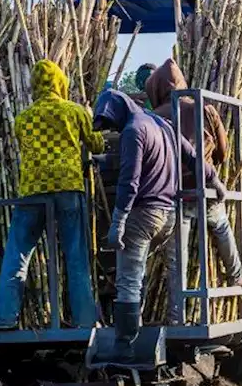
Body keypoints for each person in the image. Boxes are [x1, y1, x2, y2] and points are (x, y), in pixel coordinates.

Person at [0, 60, 102, 329]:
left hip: (33, 191)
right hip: (68, 187)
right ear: (60, 83)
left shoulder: (23, 118)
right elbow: (97, 143)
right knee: (75, 257)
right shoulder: (74, 112)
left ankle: (4, 316)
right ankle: (86, 320)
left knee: (17, 254)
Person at [93, 88, 225, 360]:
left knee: (128, 279)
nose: (114, 129)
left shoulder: (133, 130)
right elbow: (192, 156)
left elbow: (129, 181)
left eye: (111, 123)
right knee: (139, 272)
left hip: (144, 215)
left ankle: (124, 346)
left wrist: (118, 221)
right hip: (168, 216)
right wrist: (214, 181)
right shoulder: (162, 124)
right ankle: (143, 330)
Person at [144, 58, 242, 288]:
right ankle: (236, 276)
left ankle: (177, 316)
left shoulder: (153, 117)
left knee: (177, 260)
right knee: (222, 227)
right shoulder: (204, 109)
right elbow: (223, 153)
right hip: (205, 185)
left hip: (172, 193)